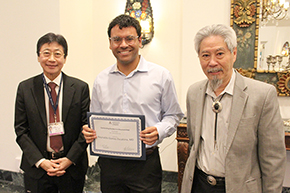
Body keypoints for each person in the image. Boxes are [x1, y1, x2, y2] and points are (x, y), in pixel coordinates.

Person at [82, 14, 184, 193]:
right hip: (109, 164)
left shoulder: (161, 76)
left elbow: (173, 115)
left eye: (129, 38)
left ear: (139, 41)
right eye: (117, 39)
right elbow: (96, 118)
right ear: (110, 43)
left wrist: (159, 130)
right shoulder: (101, 79)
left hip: (145, 164)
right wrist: (90, 131)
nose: (123, 45)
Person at [181, 24, 286, 193]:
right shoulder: (194, 93)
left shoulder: (262, 95)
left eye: (220, 54)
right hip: (199, 185)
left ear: (234, 53)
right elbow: (194, 143)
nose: (212, 62)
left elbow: (273, 159)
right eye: (205, 55)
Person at [14, 32, 90, 193]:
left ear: (65, 57)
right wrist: (41, 161)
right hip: (37, 169)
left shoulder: (80, 88)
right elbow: (21, 130)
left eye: (57, 54)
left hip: (71, 168)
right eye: (46, 53)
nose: (52, 59)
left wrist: (69, 159)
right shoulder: (25, 88)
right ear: (38, 56)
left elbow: (86, 128)